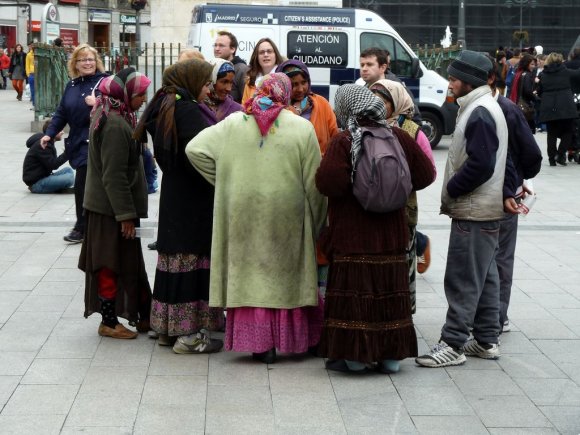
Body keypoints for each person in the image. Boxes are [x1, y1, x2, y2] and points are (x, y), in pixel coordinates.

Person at [185, 73, 327, 364]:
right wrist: (317, 224)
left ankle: (261, 345)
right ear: (286, 95)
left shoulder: (233, 123)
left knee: (249, 276)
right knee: (285, 277)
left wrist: (226, 180)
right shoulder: (302, 128)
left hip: (243, 214)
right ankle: (290, 340)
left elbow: (194, 149)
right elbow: (315, 184)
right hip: (287, 216)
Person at [315, 84, 434, 373]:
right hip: (391, 237)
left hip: (353, 237)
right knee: (389, 295)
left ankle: (355, 359)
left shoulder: (345, 140)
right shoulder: (399, 137)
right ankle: (391, 359)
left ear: (345, 109)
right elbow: (426, 174)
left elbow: (328, 183)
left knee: (356, 295)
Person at [416, 50, 508, 368]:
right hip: (484, 209)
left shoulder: (479, 111)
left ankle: (452, 343)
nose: (450, 82)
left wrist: (454, 188)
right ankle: (485, 339)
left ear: (469, 80)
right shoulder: (482, 107)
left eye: (455, 77)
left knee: (463, 278)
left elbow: (480, 164)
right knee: (485, 276)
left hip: (473, 209)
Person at [134, 59, 225, 354]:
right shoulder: (187, 111)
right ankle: (189, 336)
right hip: (194, 197)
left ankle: (167, 330)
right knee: (192, 262)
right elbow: (206, 152)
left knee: (174, 260)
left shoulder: (163, 105)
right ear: (191, 82)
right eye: (205, 82)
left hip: (175, 195)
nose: (208, 88)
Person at [79, 67, 152, 339]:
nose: (144, 97)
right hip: (110, 210)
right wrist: (125, 216)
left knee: (128, 262)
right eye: (141, 92)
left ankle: (144, 316)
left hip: (110, 207)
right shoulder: (115, 124)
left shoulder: (112, 112)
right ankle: (109, 322)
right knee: (109, 263)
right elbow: (114, 175)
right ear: (127, 93)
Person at [369, 79, 436, 314]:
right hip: (369, 211)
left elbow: (429, 172)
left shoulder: (412, 132)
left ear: (396, 102)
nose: (376, 104)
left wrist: (399, 182)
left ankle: (402, 314)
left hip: (402, 211)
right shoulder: (363, 126)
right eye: (372, 98)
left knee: (401, 264)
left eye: (383, 100)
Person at [486, 58, 542, 334]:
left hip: (505, 194)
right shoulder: (479, 107)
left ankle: (498, 316)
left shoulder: (506, 109)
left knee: (501, 257)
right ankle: (490, 315)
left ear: (488, 80)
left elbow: (532, 153)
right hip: (486, 194)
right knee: (490, 257)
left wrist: (521, 179)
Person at [40, 44, 107, 244]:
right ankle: (90, 226)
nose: (87, 63)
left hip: (97, 142)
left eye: (91, 59)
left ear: (97, 62)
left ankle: (82, 227)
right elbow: (62, 112)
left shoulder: (105, 82)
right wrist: (49, 134)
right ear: (75, 64)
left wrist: (97, 103)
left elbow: (119, 106)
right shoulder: (71, 85)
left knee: (82, 185)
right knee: (86, 185)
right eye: (83, 60)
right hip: (77, 142)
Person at [276, 59, 338, 155]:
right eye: (294, 85)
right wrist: (296, 110)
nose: (300, 89)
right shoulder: (277, 108)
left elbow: (335, 137)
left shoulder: (321, 103)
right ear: (282, 86)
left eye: (304, 82)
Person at [536, 52, 580, 166]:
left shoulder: (543, 74)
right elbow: (578, 73)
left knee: (552, 133)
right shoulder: (565, 72)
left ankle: (551, 159)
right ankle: (560, 154)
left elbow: (539, 91)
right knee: (568, 131)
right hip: (566, 105)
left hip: (549, 106)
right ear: (560, 61)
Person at [23, 121, 74, 193]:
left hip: (44, 176)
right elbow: (53, 165)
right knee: (69, 178)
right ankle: (55, 187)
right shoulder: (42, 146)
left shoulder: (48, 142)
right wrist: (67, 153)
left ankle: (55, 186)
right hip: (36, 183)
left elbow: (52, 163)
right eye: (60, 130)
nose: (62, 132)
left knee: (68, 170)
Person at [199, 58, 243, 126]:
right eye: (224, 82)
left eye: (231, 83)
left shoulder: (238, 110)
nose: (229, 89)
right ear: (211, 81)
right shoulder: (196, 107)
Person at [241, 38, 284, 104]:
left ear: (275, 55)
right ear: (257, 57)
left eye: (269, 51)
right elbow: (244, 106)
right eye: (261, 52)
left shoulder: (284, 78)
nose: (266, 55)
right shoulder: (250, 81)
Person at [213, 31, 249, 104]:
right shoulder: (214, 67)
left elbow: (247, 101)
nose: (216, 48)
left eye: (221, 46)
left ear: (232, 49)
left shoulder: (242, 70)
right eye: (215, 45)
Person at [509, 53, 537, 134]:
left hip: (515, 104)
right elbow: (527, 91)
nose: (533, 66)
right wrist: (536, 98)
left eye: (534, 64)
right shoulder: (527, 75)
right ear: (526, 63)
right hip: (524, 107)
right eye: (531, 64)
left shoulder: (517, 74)